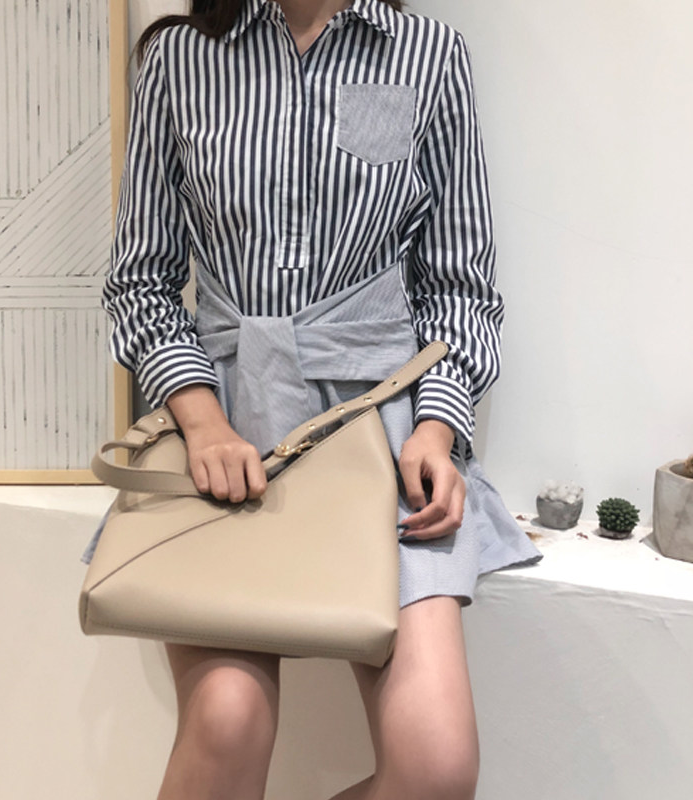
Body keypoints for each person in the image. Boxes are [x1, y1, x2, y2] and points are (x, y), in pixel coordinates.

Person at [85, 1, 543, 797]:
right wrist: (202, 422)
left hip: (382, 438)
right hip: (226, 434)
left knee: (435, 770)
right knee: (228, 721)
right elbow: (141, 281)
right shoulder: (182, 58)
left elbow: (460, 285)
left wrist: (437, 429)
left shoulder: (427, 54)